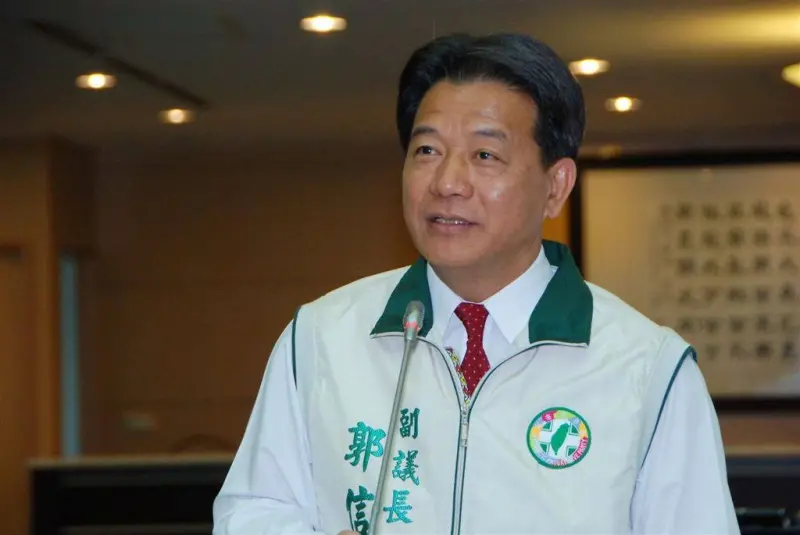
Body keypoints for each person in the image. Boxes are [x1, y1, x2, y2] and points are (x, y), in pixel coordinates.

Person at [213, 32, 739, 535]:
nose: (446, 183)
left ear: (556, 186)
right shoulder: (321, 338)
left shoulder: (647, 369)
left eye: (485, 156)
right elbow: (254, 511)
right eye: (427, 151)